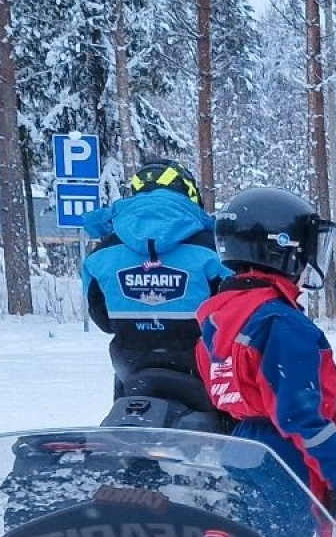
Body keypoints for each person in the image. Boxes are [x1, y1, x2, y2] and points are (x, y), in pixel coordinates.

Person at [196, 186, 336, 520]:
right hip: (287, 462)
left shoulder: (221, 317)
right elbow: (300, 416)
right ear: (283, 249)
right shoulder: (282, 324)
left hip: (243, 448)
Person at [79, 159, 232, 408]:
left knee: (125, 441)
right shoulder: (213, 250)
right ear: (188, 193)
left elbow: (103, 319)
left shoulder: (101, 254)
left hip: (133, 374)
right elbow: (232, 318)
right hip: (203, 377)